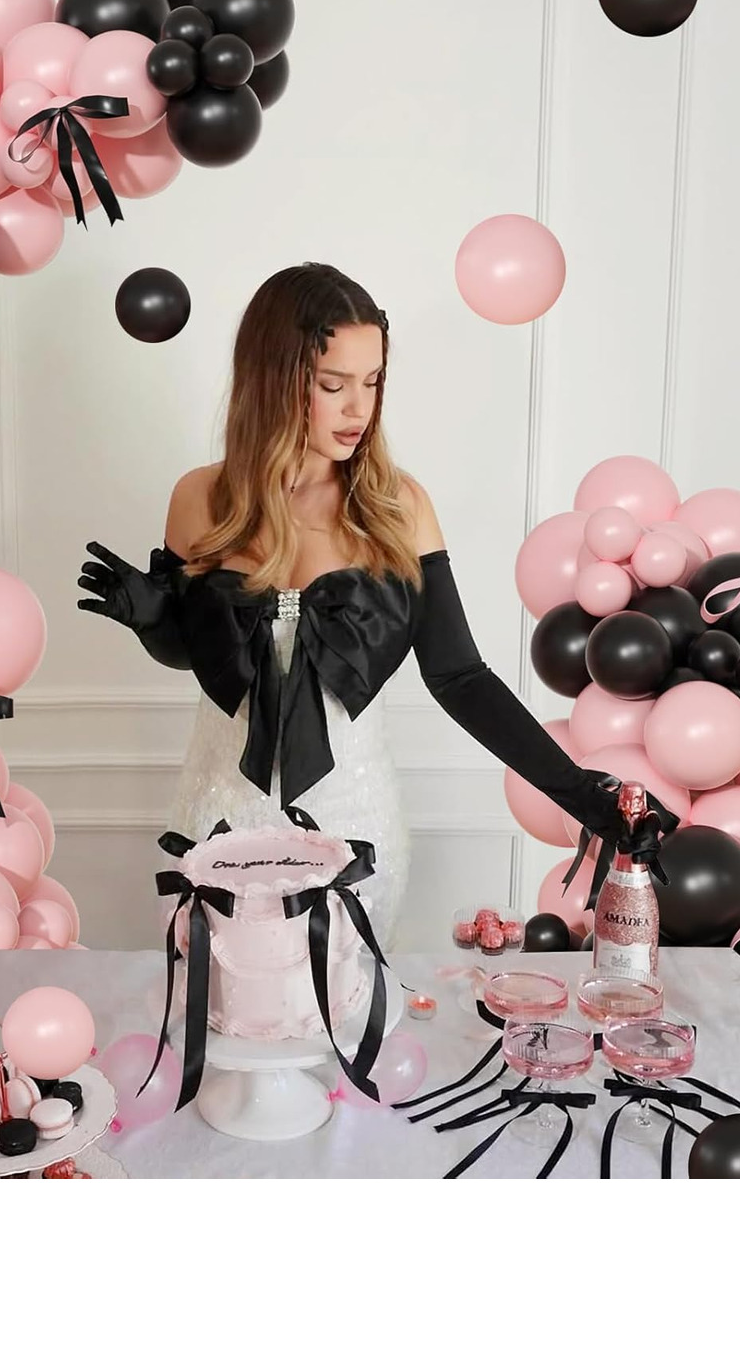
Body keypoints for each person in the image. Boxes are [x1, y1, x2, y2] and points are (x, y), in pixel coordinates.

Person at [77, 261, 625, 946]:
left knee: (344, 1005)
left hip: (354, 827)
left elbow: (458, 676)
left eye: (372, 383)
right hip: (217, 817)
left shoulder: (398, 507)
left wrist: (580, 792)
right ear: (274, 379)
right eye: (333, 385)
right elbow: (202, 658)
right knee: (219, 1005)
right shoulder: (199, 499)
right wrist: (154, 620)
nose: (358, 410)